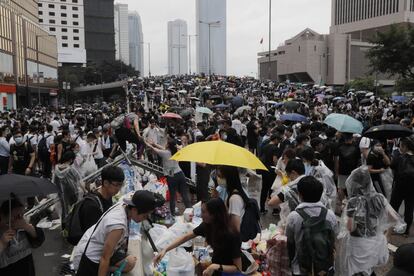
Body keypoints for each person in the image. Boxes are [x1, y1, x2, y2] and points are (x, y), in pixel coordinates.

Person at [74, 190, 164, 276]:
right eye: (144, 215)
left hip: (98, 248)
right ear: (135, 210)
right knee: (121, 262)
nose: (144, 218)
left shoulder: (125, 205)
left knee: (130, 262)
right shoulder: (118, 226)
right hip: (91, 261)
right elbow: (105, 258)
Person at [337, 166, 402, 276]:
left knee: (357, 271)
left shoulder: (353, 202)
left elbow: (350, 227)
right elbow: (395, 218)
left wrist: (348, 214)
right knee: (370, 269)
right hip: (374, 239)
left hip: (357, 243)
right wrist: (387, 234)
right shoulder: (379, 198)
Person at [154, 198, 242, 276]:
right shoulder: (208, 225)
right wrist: (165, 250)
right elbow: (185, 237)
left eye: (204, 212)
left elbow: (238, 268)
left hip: (227, 271)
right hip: (216, 268)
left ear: (214, 214)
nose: (200, 214)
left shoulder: (232, 235)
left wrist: (216, 267)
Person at [286, 176, 337, 276]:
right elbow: (334, 239)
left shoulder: (294, 216)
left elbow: (290, 242)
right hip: (325, 268)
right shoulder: (330, 215)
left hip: (301, 269)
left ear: (300, 194)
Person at [0, 195, 45, 276]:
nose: (20, 219)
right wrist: (2, 243)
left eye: (21, 215)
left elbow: (39, 240)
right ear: (2, 216)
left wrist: (27, 227)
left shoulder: (22, 227)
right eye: (16, 216)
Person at [146, 138, 191, 214]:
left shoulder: (166, 153)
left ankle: (173, 213)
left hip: (171, 176)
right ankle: (190, 211)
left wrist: (146, 142)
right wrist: (154, 143)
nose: (165, 144)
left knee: (172, 196)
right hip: (180, 174)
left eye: (167, 143)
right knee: (184, 194)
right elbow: (162, 148)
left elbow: (154, 149)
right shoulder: (175, 151)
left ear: (169, 145)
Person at [78, 165, 125, 233]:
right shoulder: (91, 205)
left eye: (121, 185)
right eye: (117, 185)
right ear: (106, 183)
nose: (119, 188)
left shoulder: (108, 196)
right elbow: (91, 234)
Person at [390, 135, 414, 236]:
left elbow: (391, 166)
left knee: (394, 207)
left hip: (399, 186)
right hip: (412, 187)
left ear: (404, 147)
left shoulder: (399, 157)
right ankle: (407, 231)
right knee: (409, 208)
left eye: (401, 146)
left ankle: (392, 227)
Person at [52, 151, 84, 221]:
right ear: (71, 159)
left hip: (61, 194)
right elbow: (80, 181)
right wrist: (85, 191)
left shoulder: (56, 168)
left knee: (64, 212)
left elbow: (53, 181)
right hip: (73, 193)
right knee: (74, 211)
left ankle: (65, 227)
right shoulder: (71, 169)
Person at [218, 165, 248, 233]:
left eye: (221, 177)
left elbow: (236, 228)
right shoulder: (233, 193)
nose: (219, 180)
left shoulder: (234, 199)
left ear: (228, 177)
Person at [259, 133, 281, 214]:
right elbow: (275, 159)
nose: (278, 142)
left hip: (265, 170)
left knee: (264, 189)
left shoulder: (264, 146)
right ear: (275, 139)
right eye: (278, 140)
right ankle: (275, 210)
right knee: (273, 189)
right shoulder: (275, 148)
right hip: (272, 171)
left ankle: (262, 208)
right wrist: (277, 167)